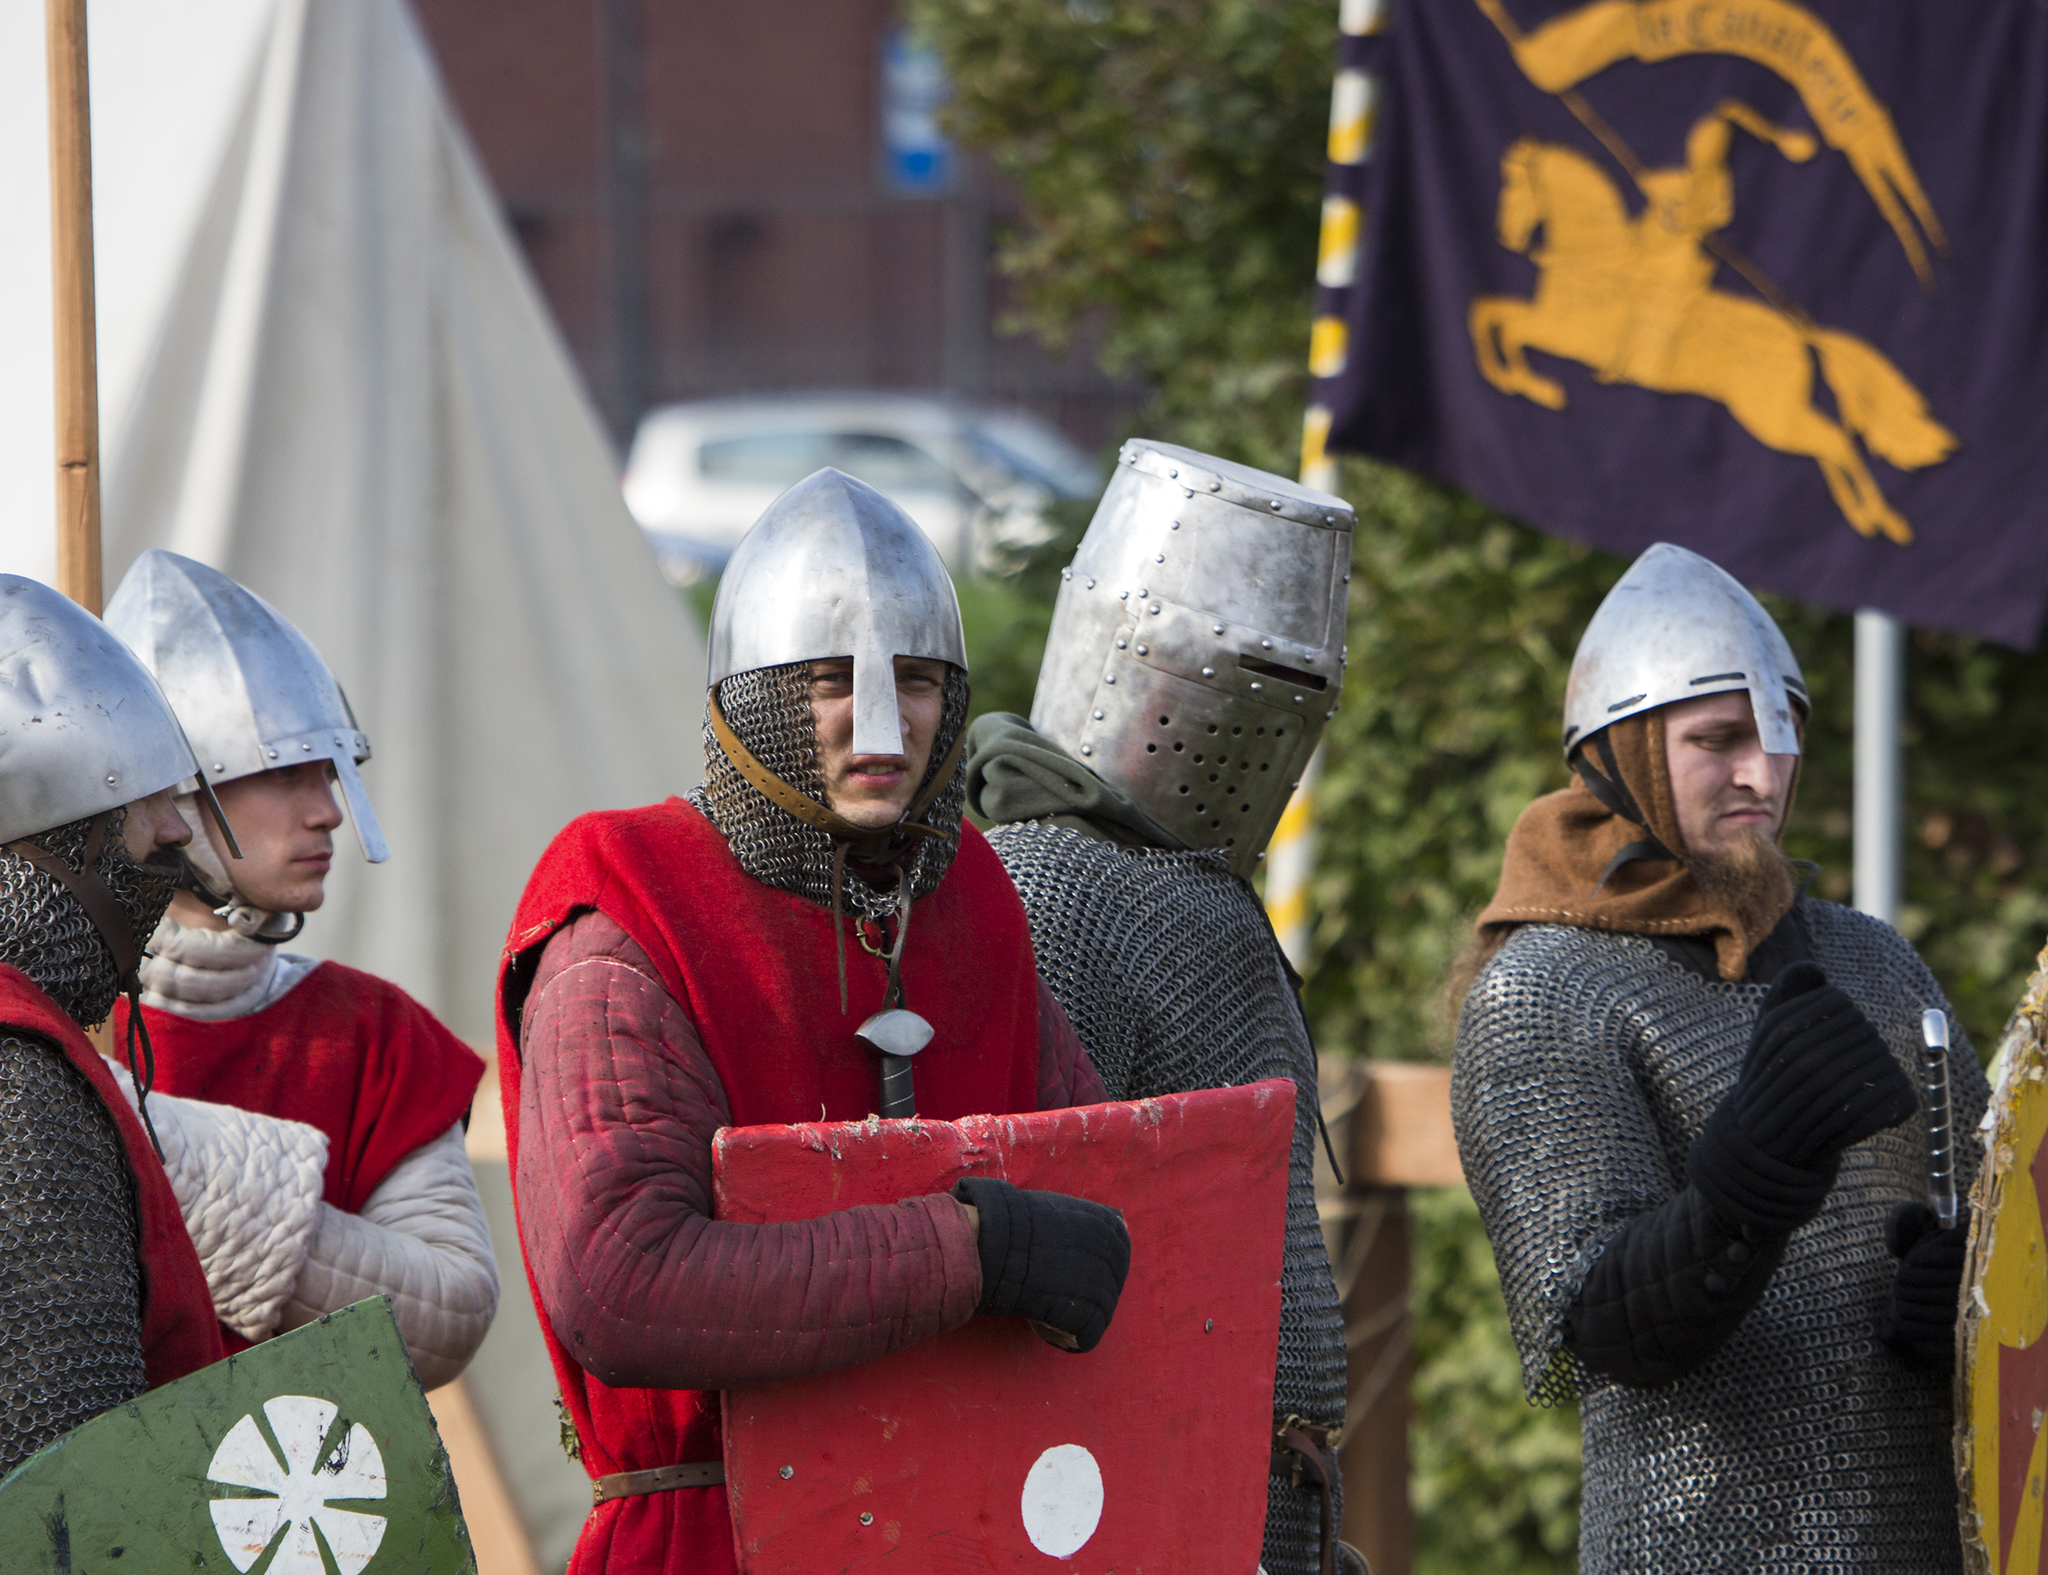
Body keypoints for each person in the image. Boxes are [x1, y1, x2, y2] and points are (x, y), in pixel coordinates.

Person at [498, 468, 1132, 1575]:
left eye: (921, 683)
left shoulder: (970, 902)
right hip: (718, 1536)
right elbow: (621, 1281)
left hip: (971, 1524)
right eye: (834, 681)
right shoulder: (628, 916)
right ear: (755, 698)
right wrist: (973, 1255)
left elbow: (1107, 1188)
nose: (883, 722)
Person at [1451, 542, 1984, 1573]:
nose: (1759, 772)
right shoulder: (1544, 988)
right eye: (1716, 739)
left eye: (1777, 735)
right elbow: (1599, 1328)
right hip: (1697, 1537)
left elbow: (1991, 1217)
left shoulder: (1868, 958)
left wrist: (1960, 1304)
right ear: (1627, 753)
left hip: (1913, 1534)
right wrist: (1744, 1184)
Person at [965, 438, 1355, 1575]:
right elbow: (1038, 1256)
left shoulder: (1207, 902)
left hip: (1264, 1500)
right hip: (1136, 1492)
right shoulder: (1051, 890)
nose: (1256, 727)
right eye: (1243, 682)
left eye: (1295, 693)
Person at [103, 551, 496, 1389]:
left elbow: (448, 1311)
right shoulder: (49, 1026)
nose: (326, 810)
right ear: (174, 793)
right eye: (281, 775)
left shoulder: (371, 1032)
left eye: (326, 771)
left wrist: (150, 1147)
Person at [0, 575, 227, 1471]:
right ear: (59, 829)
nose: (177, 830)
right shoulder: (16, 1080)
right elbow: (73, 1489)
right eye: (145, 796)